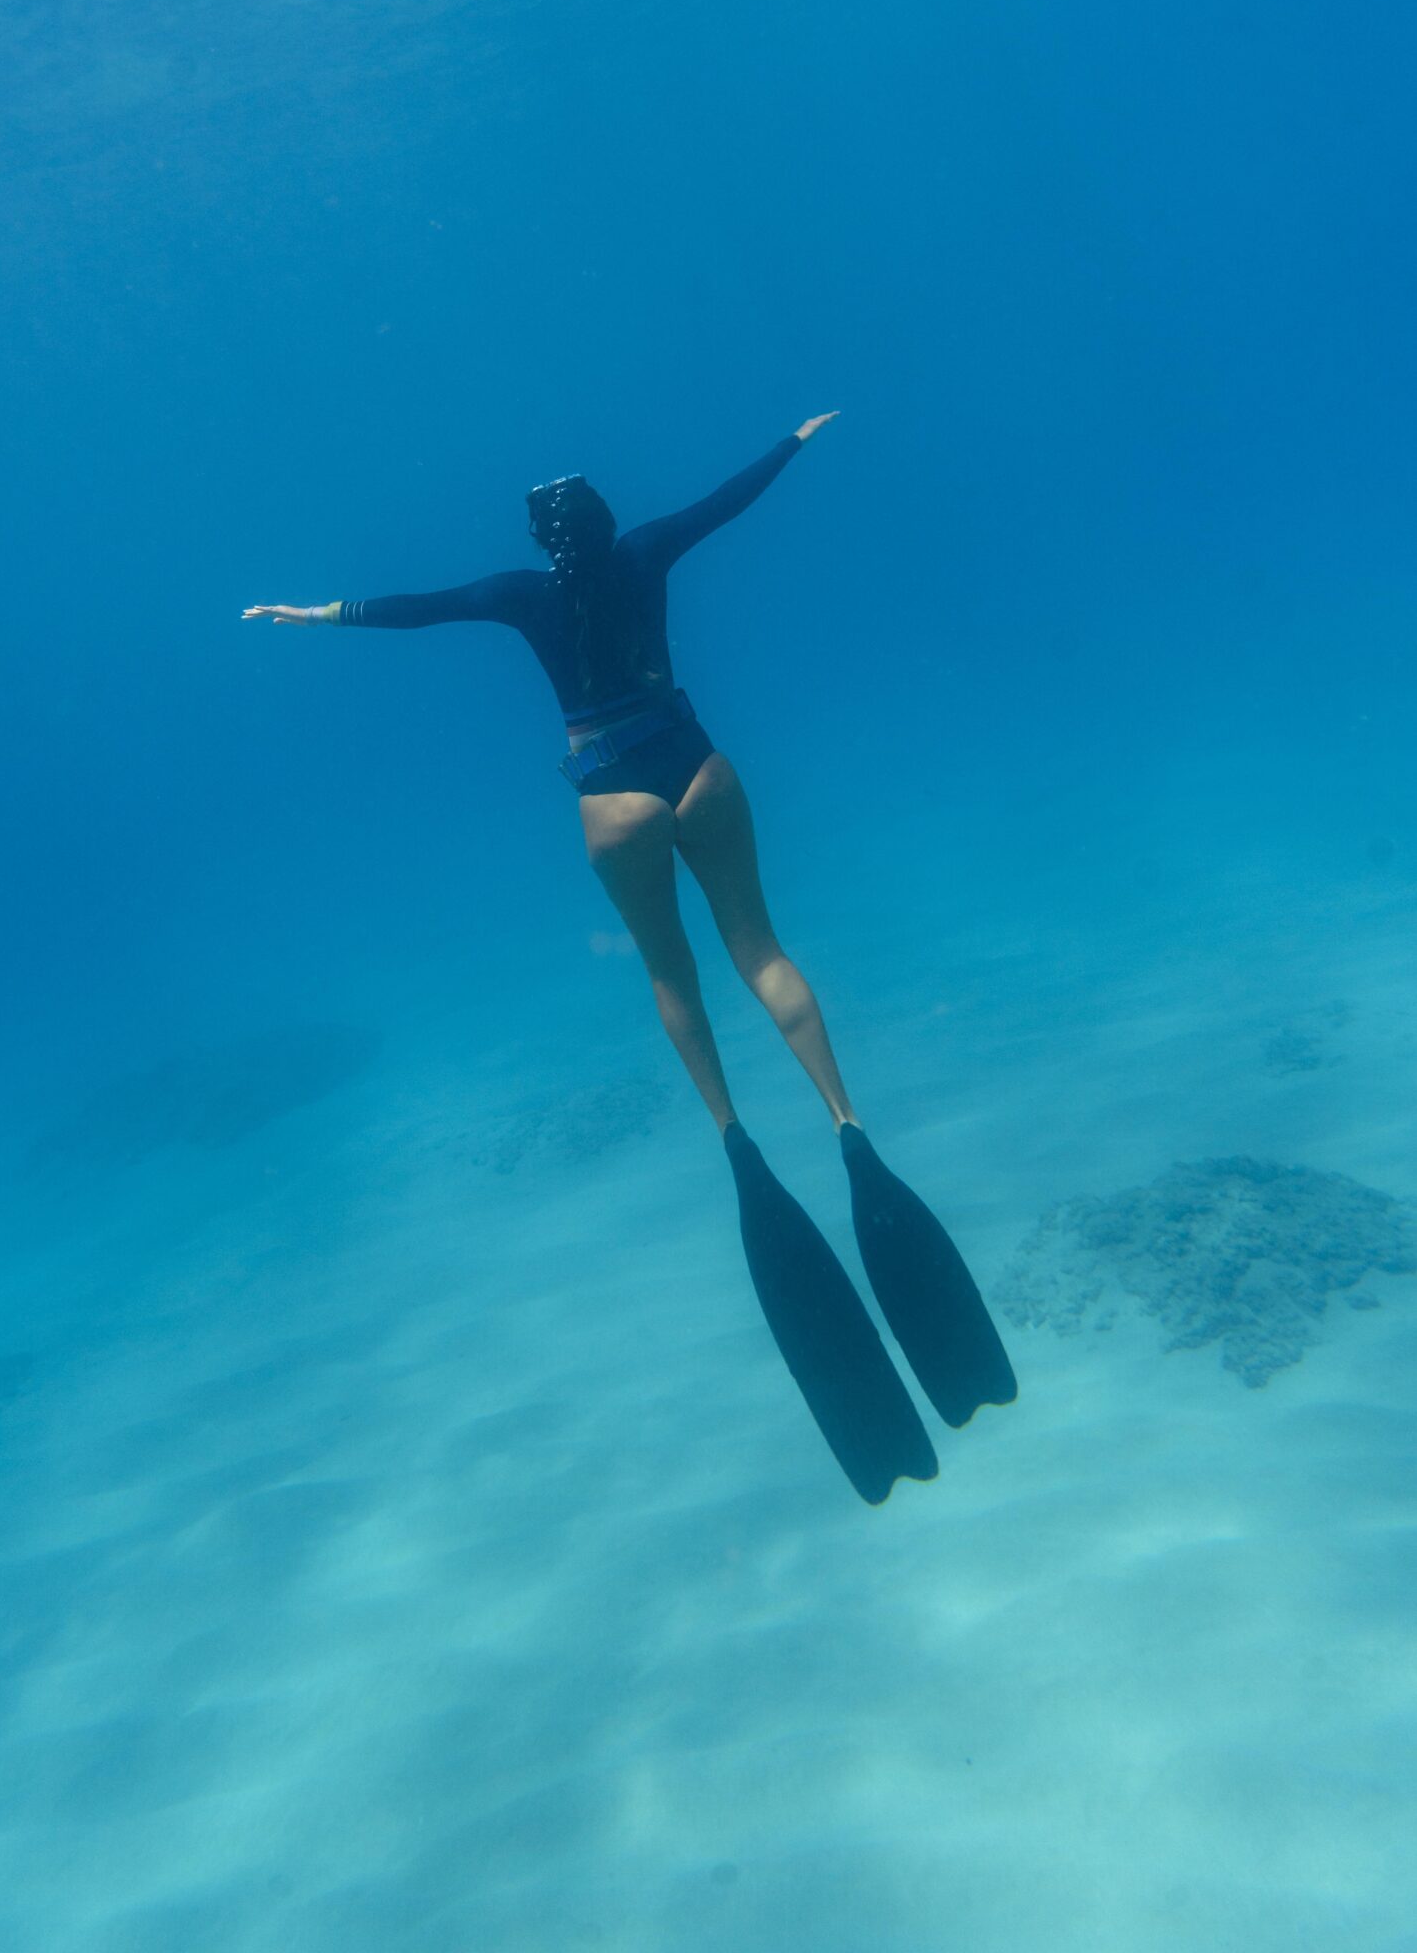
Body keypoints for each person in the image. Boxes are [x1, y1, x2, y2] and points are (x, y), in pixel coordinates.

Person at [245, 417, 1014, 1501]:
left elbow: (419, 609)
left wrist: (314, 611)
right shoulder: (646, 549)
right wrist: (790, 442)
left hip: (611, 795)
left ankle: (735, 1139)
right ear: (604, 521)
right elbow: (723, 500)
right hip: (696, 765)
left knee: (672, 975)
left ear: (539, 537)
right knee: (761, 949)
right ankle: (846, 1122)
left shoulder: (519, 592)